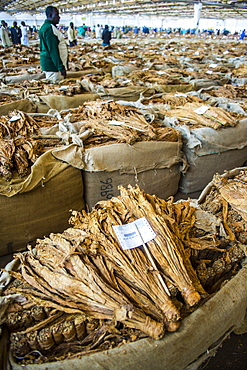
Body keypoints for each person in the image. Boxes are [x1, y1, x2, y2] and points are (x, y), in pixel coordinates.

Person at [39, 6, 68, 83]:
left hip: (51, 65)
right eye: (57, 15)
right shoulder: (49, 28)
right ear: (50, 15)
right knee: (57, 88)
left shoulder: (46, 27)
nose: (59, 17)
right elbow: (53, 50)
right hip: (53, 67)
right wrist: (60, 67)